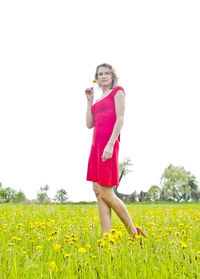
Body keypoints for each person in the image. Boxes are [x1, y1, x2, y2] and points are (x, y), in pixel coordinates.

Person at [85, 63, 146, 245]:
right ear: (96, 77)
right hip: (95, 146)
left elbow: (120, 119)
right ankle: (107, 238)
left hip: (108, 144)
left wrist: (111, 144)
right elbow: (89, 124)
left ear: (112, 76)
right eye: (100, 74)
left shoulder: (118, 91)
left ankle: (133, 232)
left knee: (107, 191)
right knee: (98, 190)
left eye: (107, 73)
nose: (103, 76)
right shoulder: (97, 100)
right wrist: (89, 101)